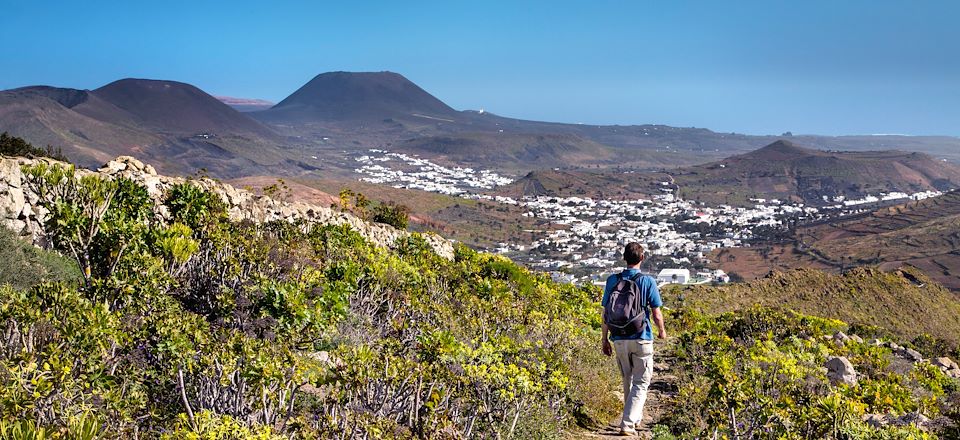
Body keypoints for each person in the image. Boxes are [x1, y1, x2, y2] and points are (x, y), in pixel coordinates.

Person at [601, 242, 666, 436]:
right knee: (641, 382)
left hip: (619, 338)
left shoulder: (612, 280)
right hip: (641, 337)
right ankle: (628, 423)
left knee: (627, 379)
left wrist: (604, 339)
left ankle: (634, 418)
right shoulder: (647, 282)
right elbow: (656, 313)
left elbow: (606, 313)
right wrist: (662, 330)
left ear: (624, 258)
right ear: (642, 258)